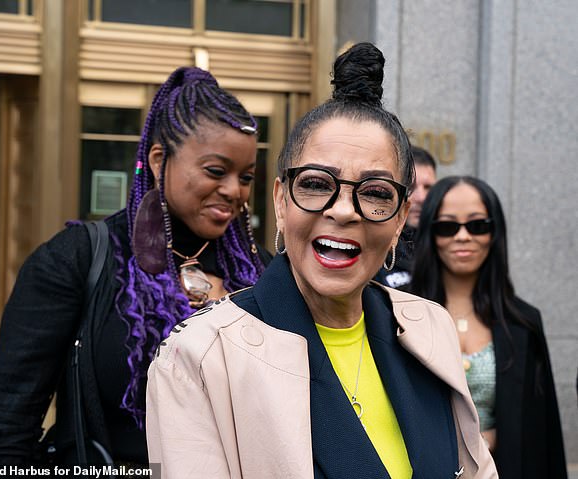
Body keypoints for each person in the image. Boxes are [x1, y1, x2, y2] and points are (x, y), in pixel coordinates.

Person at [146, 43, 497, 478]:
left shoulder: (429, 328)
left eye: (374, 192)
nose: (344, 210)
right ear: (279, 201)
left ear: (400, 218)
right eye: (315, 183)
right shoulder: (197, 356)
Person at [0, 66, 271, 466]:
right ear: (160, 161)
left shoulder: (261, 272)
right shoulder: (77, 259)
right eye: (216, 171)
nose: (234, 190)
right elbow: (5, 433)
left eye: (246, 176)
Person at [408, 176, 567, 479]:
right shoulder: (399, 316)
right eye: (448, 226)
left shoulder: (524, 322)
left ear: (494, 233)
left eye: (478, 225)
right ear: (430, 234)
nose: (463, 237)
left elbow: (543, 434)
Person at [374, 145, 436, 288]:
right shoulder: (376, 248)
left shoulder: (446, 243)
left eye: (428, 187)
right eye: (411, 188)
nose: (421, 198)